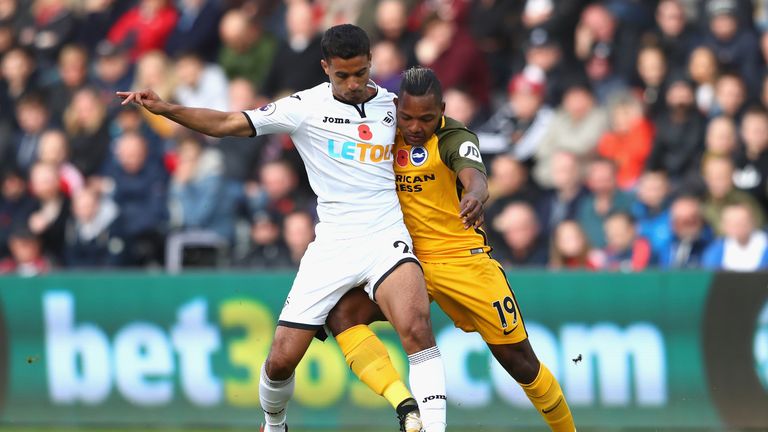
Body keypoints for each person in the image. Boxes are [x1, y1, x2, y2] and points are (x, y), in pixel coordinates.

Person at [117, 25, 446, 432]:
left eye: (360, 73)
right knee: (280, 360)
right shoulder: (303, 107)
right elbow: (227, 123)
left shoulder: (394, 107)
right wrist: (168, 109)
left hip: (386, 237)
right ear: (326, 67)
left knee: (416, 326)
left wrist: (472, 176)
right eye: (342, 75)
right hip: (332, 246)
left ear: (370, 64)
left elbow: (446, 135)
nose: (352, 83)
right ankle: (274, 425)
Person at [326, 67, 575, 432]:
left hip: (464, 263)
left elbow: (474, 175)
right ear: (397, 107)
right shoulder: (384, 132)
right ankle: (406, 406)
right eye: (407, 117)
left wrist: (474, 195)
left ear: (441, 110)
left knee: (521, 363)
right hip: (406, 262)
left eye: (426, 118)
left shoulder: (453, 136)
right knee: (342, 315)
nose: (414, 127)